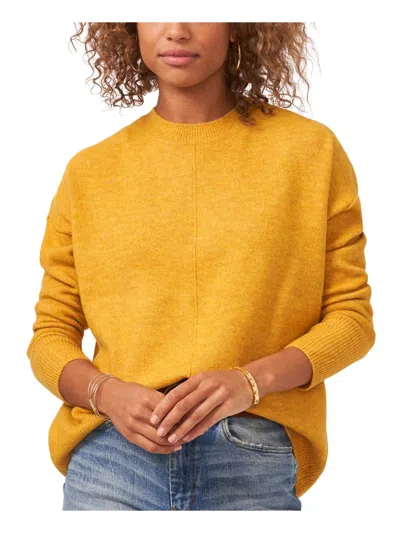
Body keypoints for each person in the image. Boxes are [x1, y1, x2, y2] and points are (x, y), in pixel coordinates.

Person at [26, 22, 375, 511]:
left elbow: (351, 320)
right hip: (112, 458)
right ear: (129, 26)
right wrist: (106, 394)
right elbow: (50, 334)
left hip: (250, 452)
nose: (177, 30)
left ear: (238, 26)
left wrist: (249, 382)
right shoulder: (89, 172)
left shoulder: (310, 152)